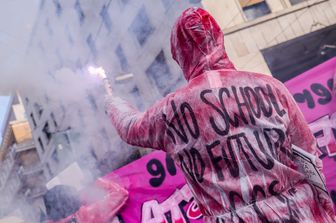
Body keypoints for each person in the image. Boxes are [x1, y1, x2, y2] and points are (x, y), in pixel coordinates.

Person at [104, 7, 336, 222]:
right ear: (218, 39)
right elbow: (307, 154)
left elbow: (129, 126)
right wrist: (325, 208)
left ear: (180, 54)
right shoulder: (270, 87)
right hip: (299, 212)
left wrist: (112, 102)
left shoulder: (170, 112)